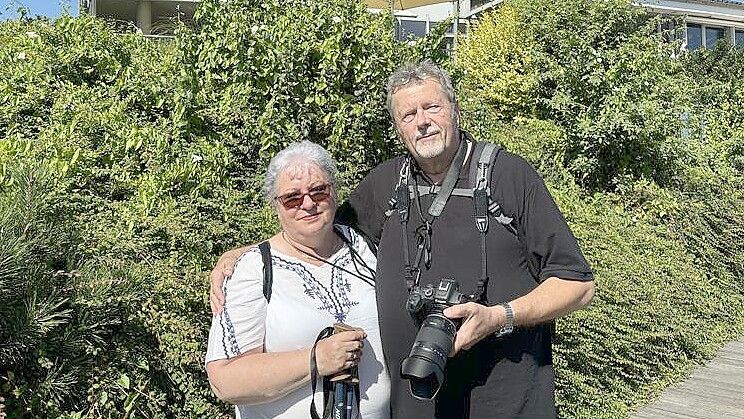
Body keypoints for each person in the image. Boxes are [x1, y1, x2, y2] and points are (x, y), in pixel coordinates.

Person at [211, 60, 595, 418]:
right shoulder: (385, 186)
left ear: (455, 111)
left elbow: (578, 284)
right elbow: (314, 225)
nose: (422, 122)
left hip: (506, 406)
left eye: (432, 108)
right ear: (398, 129)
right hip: (413, 406)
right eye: (409, 115)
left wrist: (499, 316)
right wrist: (246, 255)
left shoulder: (508, 176)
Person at [205, 141, 390, 419]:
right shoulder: (253, 270)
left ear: (334, 192)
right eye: (292, 198)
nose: (308, 204)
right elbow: (224, 380)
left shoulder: (365, 247)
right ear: (275, 205)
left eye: (318, 191)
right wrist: (315, 360)